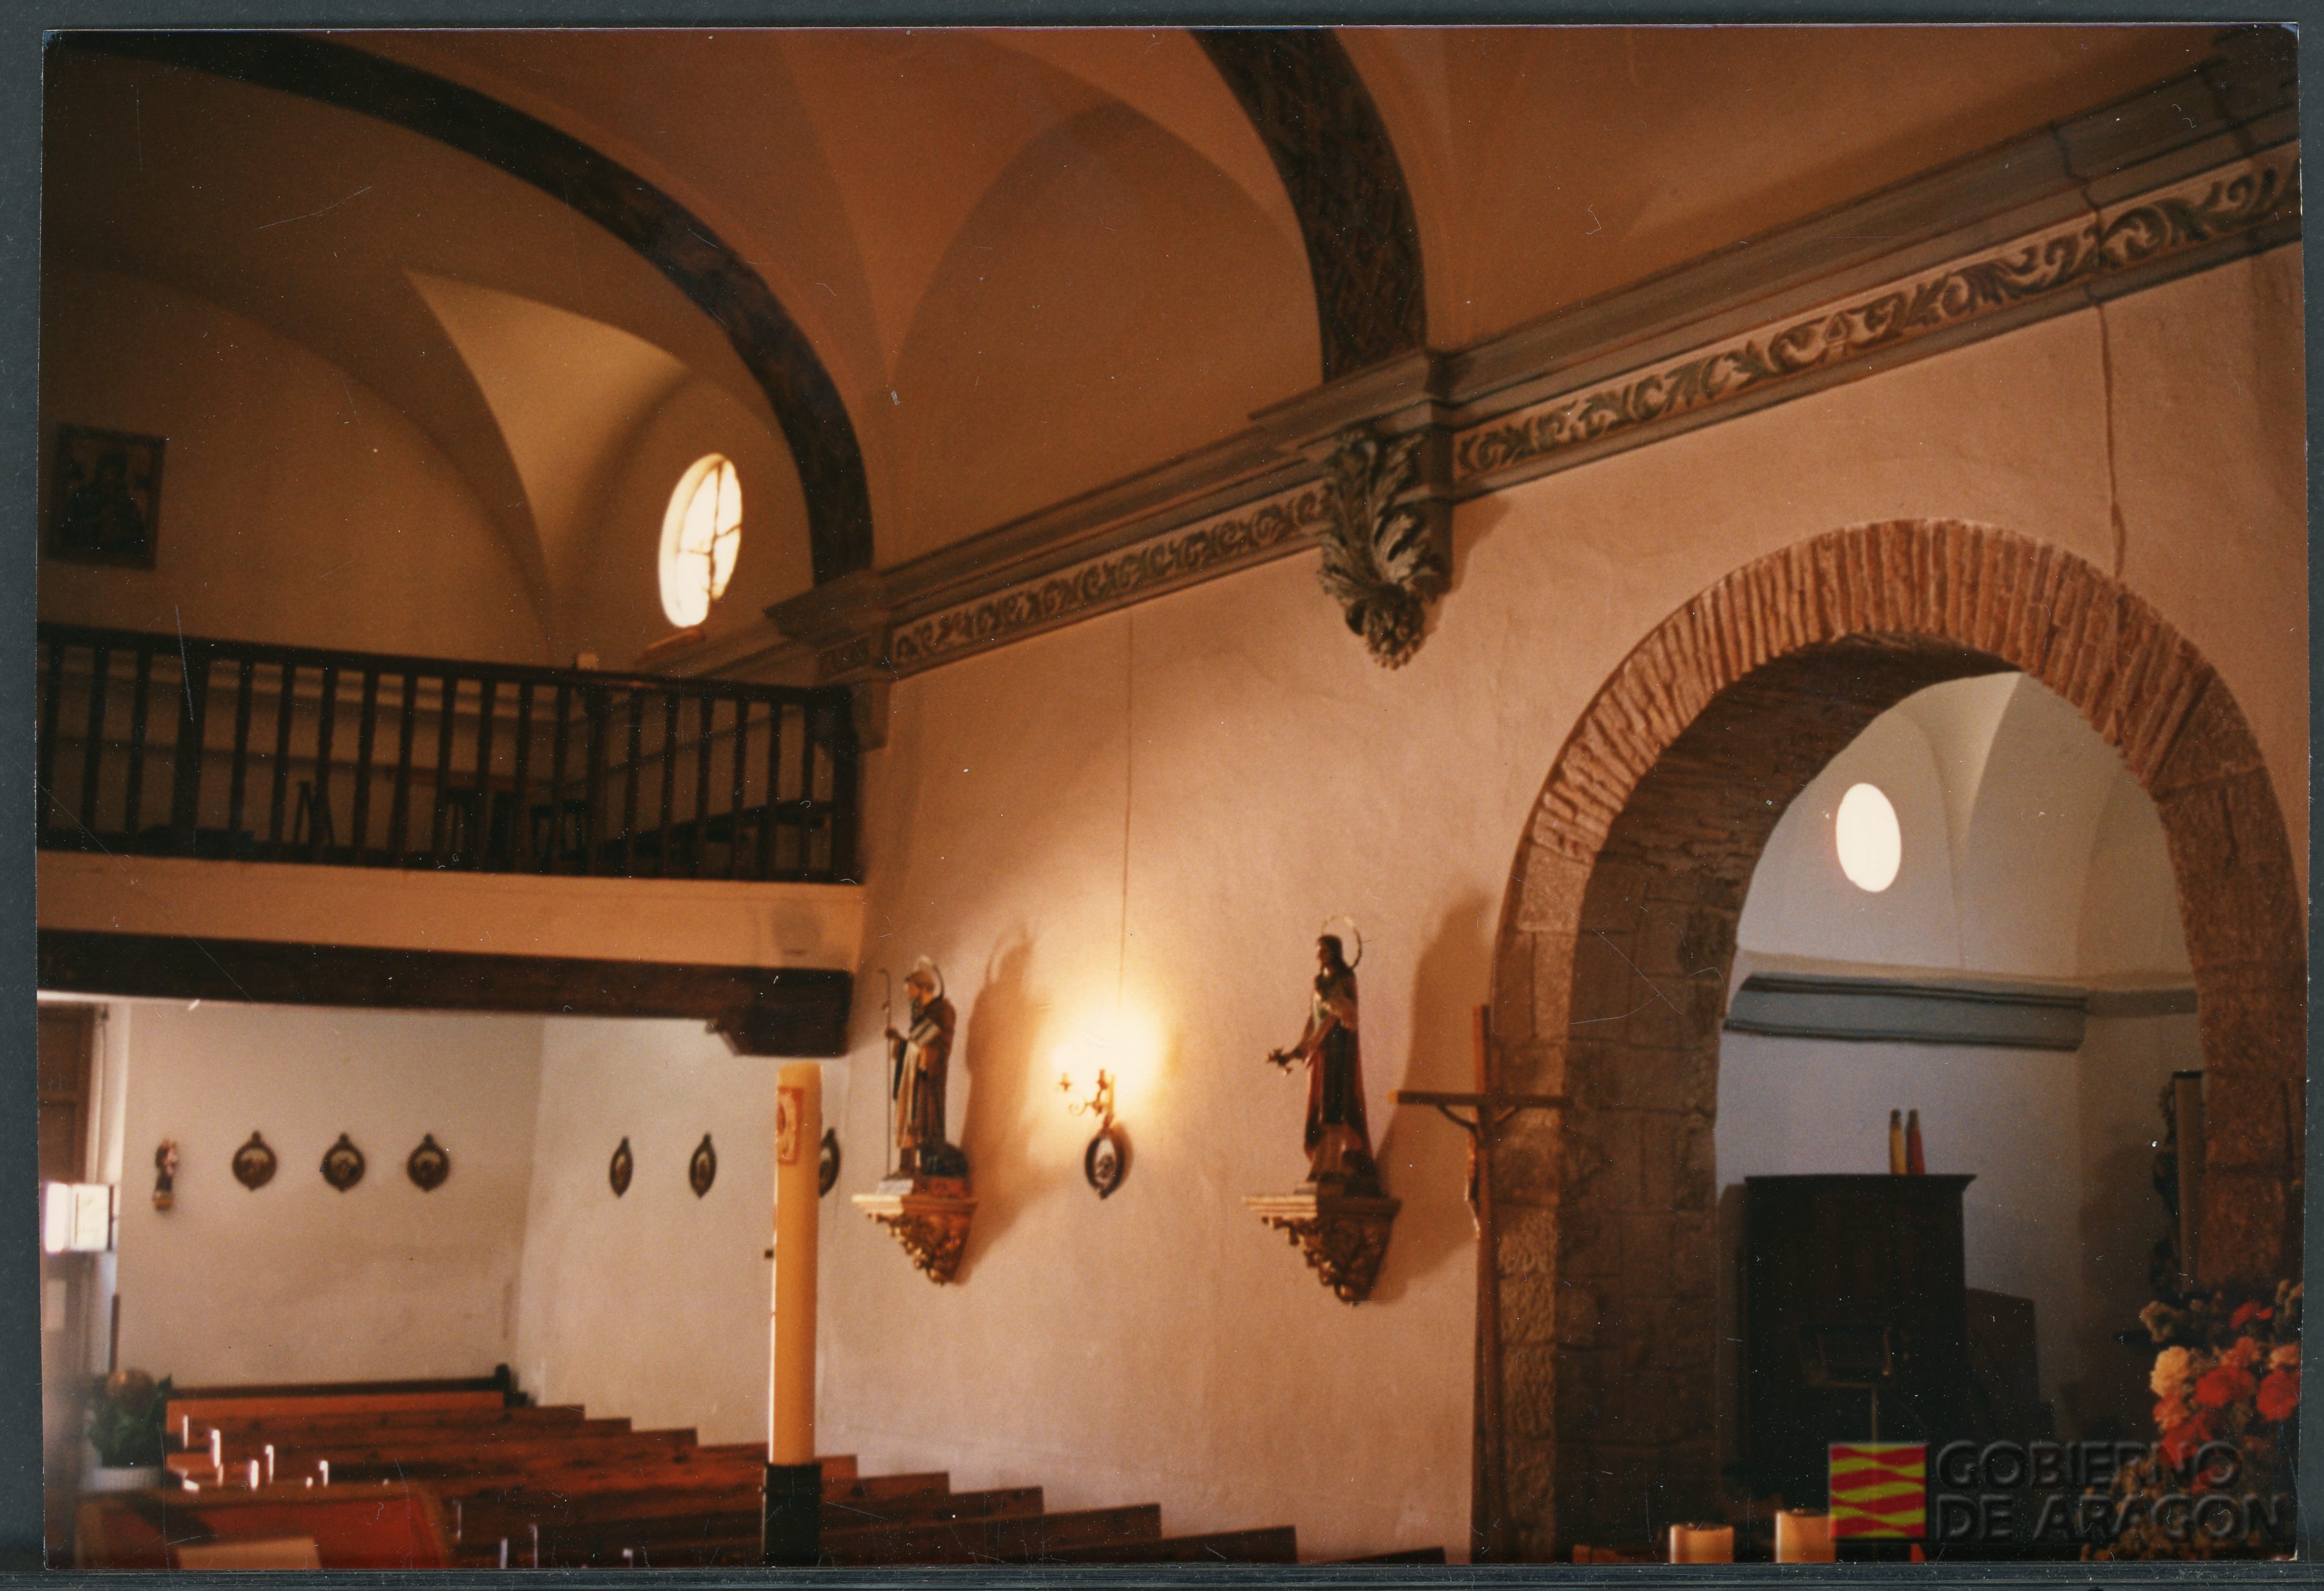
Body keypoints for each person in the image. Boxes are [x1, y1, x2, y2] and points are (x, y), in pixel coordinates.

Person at [1267, 935, 1380, 1192]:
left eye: (1324, 952)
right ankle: (1324, 1163)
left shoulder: (1345, 979)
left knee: (1336, 1104)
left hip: (1339, 1048)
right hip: (1320, 1052)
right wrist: (1295, 1052)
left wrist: (1328, 1000)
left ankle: (1339, 1162)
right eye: (1318, 952)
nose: (1319, 956)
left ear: (1335, 953)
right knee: (1320, 1106)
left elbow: (1349, 1014)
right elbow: (1313, 1021)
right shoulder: (1319, 982)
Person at [886, 958, 956, 1178]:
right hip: (913, 1078)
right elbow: (914, 1045)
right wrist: (899, 1040)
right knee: (908, 1117)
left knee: (924, 1120)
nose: (908, 994)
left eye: (910, 989)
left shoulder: (942, 1010)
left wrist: (918, 1050)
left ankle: (928, 1168)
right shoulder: (920, 1016)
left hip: (928, 1079)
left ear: (922, 988)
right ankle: (906, 1167)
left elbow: (940, 1046)